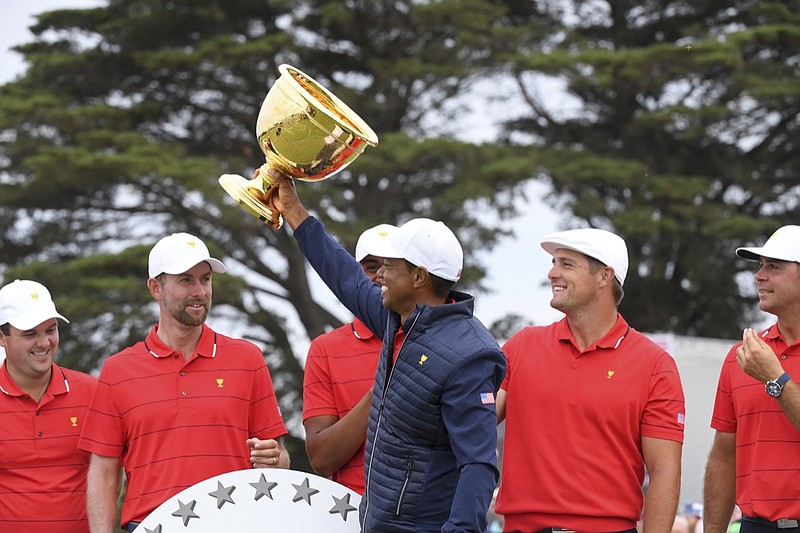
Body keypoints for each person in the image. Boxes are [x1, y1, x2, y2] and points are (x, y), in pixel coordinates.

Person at [267, 168, 506, 533]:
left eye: (388, 267)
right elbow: (343, 275)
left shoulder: (472, 355)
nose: (378, 276)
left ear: (418, 278)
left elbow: (478, 464)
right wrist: (294, 210)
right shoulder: (397, 318)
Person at [78, 232, 289, 533]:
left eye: (205, 279)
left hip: (236, 524)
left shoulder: (248, 359)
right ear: (156, 288)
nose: (200, 291)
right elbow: (103, 474)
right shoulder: (117, 371)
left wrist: (274, 460)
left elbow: (279, 458)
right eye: (186, 280)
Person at [495, 228, 686, 532]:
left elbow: (665, 472)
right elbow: (475, 418)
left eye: (566, 264)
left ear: (604, 276)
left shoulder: (655, 365)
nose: (552, 273)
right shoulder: (522, 345)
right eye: (554, 262)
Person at [703, 225, 800, 533]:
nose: (759, 276)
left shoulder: (756, 362)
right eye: (760, 266)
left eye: (774, 266)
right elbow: (723, 458)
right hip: (753, 526)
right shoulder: (742, 355)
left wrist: (775, 378)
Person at [303, 223, 396, 494]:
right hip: (352, 512)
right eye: (370, 267)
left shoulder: (434, 341)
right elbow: (321, 459)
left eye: (389, 265)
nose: (379, 275)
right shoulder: (325, 349)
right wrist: (382, 387)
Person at [0, 279, 97, 533]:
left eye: (50, 330)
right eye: (30, 334)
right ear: (2, 338)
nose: (44, 343)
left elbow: (112, 475)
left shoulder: (93, 393)